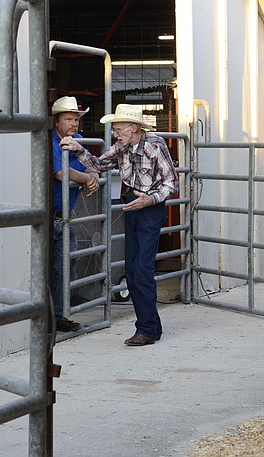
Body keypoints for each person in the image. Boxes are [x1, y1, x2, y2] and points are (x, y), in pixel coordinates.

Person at [61, 103, 179, 347]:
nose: (115, 133)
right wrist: (77, 148)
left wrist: (149, 199)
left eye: (119, 128)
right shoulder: (122, 147)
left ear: (134, 128)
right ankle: (151, 327)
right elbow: (99, 165)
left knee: (142, 269)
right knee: (133, 268)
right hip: (132, 205)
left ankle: (146, 329)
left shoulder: (155, 146)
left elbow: (171, 184)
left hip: (150, 208)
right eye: (115, 129)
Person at [51, 96, 100, 332]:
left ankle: (59, 315)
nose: (74, 124)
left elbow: (90, 163)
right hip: (47, 216)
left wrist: (93, 175)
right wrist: (87, 178)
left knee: (66, 265)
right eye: (68, 119)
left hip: (65, 215)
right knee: (51, 267)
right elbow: (61, 172)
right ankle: (50, 316)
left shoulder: (78, 140)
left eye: (76, 119)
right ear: (56, 121)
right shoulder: (50, 140)